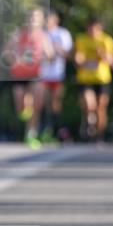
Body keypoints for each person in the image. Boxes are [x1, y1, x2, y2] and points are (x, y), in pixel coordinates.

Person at [3, 8, 52, 147]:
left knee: (36, 104)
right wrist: (14, 58)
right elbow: (6, 52)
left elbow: (50, 53)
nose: (32, 20)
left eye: (36, 17)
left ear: (41, 20)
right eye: (30, 17)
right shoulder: (18, 34)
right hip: (19, 74)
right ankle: (25, 114)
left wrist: (47, 56)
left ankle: (31, 133)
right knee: (21, 106)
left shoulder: (43, 36)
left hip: (36, 74)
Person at [73, 17, 113, 141]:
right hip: (86, 78)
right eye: (90, 28)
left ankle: (99, 134)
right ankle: (89, 124)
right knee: (89, 104)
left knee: (101, 108)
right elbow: (77, 59)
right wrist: (78, 59)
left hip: (102, 79)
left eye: (95, 29)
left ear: (100, 29)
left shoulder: (106, 40)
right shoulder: (81, 39)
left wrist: (103, 54)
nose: (92, 31)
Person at [36, 10, 72, 141]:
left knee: (55, 104)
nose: (46, 21)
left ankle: (58, 131)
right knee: (42, 104)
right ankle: (44, 131)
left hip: (57, 74)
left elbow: (69, 54)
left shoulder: (63, 33)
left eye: (49, 19)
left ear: (56, 20)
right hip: (42, 75)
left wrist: (57, 49)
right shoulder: (41, 33)